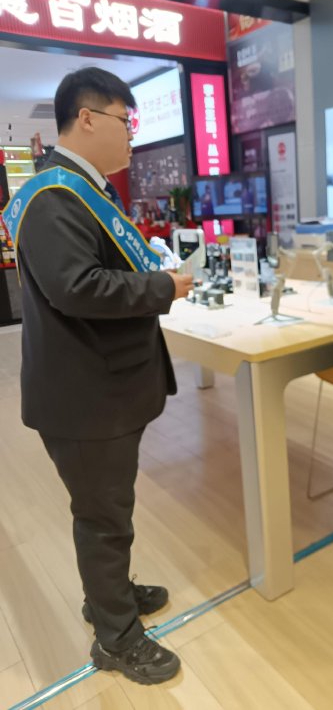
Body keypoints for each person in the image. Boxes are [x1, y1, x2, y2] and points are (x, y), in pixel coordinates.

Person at [5, 67, 193, 683]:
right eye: (125, 120)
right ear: (87, 118)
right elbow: (78, 287)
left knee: (109, 507)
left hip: (95, 386)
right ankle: (116, 638)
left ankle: (107, 597)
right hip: (84, 396)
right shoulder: (54, 196)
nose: (132, 134)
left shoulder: (78, 189)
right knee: (103, 516)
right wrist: (163, 286)